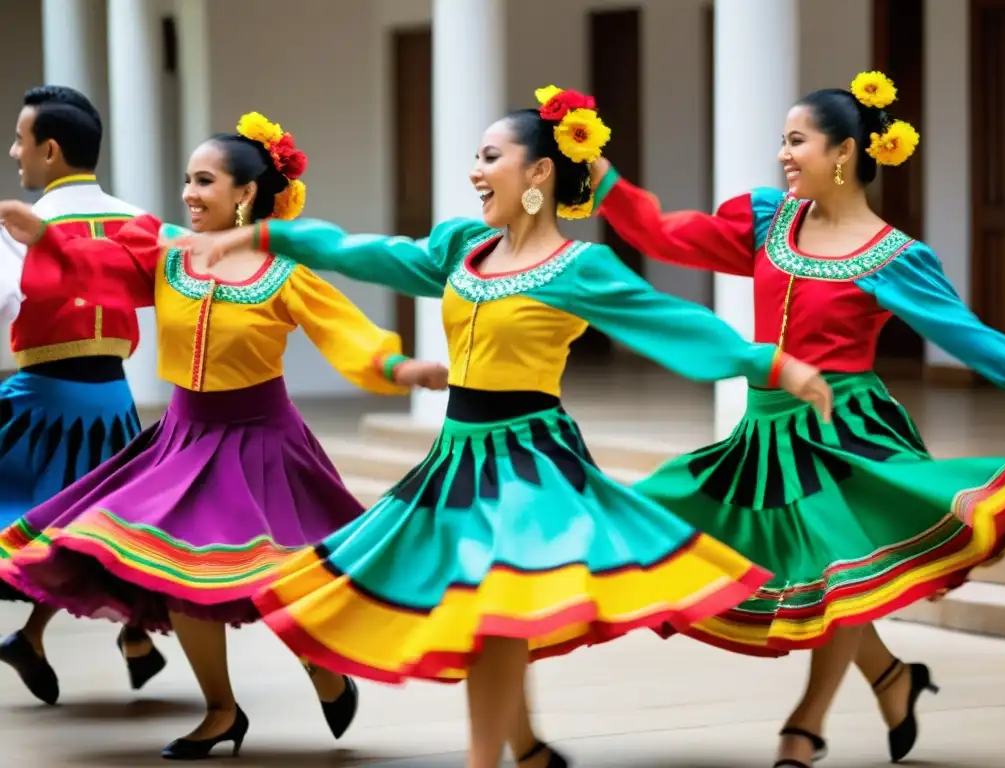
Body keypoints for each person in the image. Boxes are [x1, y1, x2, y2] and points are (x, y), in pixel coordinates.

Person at [167, 86, 833, 768]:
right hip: (457, 463)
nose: (475, 170)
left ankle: (490, 759)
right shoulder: (462, 249)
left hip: (529, 463)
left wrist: (774, 365)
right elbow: (362, 251)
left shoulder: (578, 268)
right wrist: (264, 233)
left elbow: (672, 322)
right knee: (486, 614)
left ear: (540, 171)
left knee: (492, 614)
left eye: (491, 156)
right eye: (475, 157)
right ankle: (529, 750)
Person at [588, 70, 1005, 767]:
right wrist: (606, 180)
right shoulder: (768, 221)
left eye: (798, 141)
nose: (783, 155)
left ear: (844, 153)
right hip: (764, 436)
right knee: (658, 513)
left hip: (844, 437)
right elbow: (669, 236)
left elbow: (976, 342)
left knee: (834, 576)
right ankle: (892, 679)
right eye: (782, 142)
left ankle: (805, 728)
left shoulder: (894, 257)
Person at [0, 110, 449, 759]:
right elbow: (98, 274)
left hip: (263, 444)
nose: (188, 193)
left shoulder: (285, 272)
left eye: (203, 181)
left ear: (244, 194)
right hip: (182, 441)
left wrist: (404, 369)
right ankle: (220, 711)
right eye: (187, 179)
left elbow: (347, 338)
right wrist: (45, 238)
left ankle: (322, 670)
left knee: (273, 576)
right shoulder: (168, 253)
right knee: (178, 575)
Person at [0, 84, 165, 706]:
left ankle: (118, 636)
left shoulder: (21, 227)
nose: (13, 152)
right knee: (115, 526)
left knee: (47, 521)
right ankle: (133, 636)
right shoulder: (139, 222)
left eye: (19, 140)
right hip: (112, 405)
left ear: (49, 150)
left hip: (41, 402)